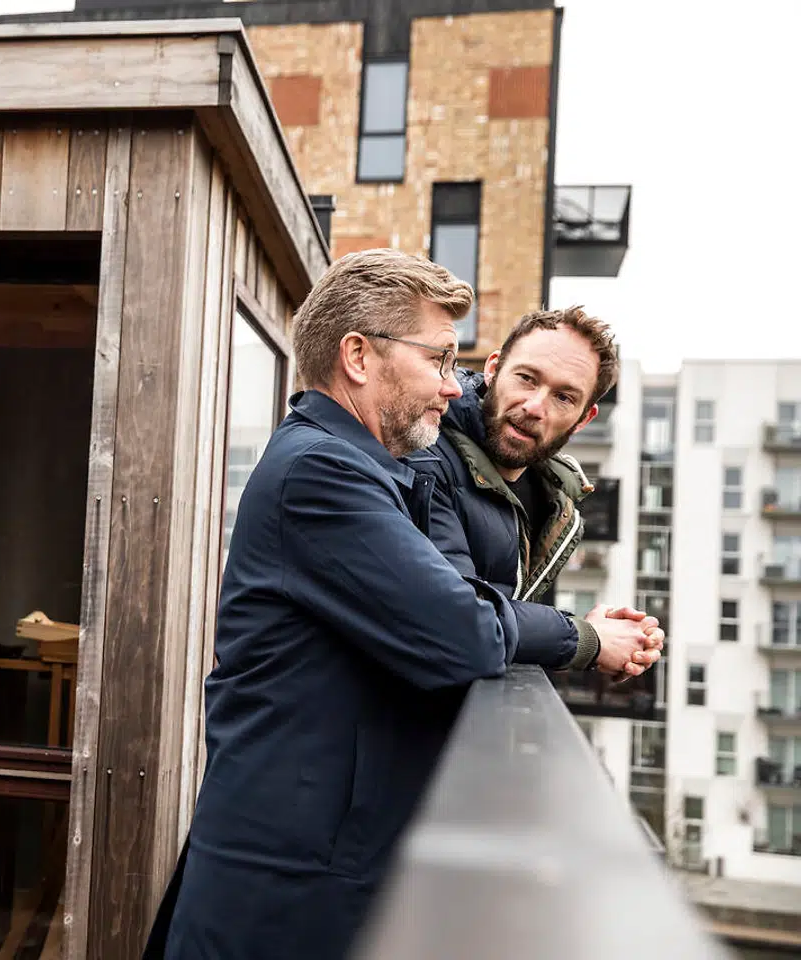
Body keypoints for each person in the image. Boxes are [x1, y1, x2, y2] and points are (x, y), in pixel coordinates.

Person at [147, 250, 524, 960]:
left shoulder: (366, 466)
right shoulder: (322, 472)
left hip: (306, 876)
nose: (453, 388)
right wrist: (578, 636)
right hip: (281, 896)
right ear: (357, 355)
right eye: (441, 361)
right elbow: (466, 632)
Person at [408, 307, 663, 678]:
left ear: (583, 419)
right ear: (493, 368)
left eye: (564, 398)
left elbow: (500, 622)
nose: (534, 407)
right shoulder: (426, 458)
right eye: (526, 378)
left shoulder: (550, 500)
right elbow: (459, 621)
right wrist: (588, 640)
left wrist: (598, 635)